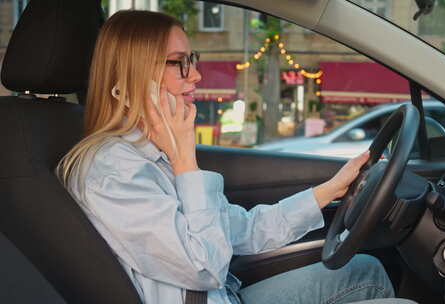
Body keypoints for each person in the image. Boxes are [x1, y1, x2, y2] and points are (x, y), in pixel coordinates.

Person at [56, 10, 394, 304]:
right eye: (179, 63)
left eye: (193, 60)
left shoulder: (149, 155)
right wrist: (184, 158)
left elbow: (242, 229)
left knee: (366, 271)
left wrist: (330, 191)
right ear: (134, 76)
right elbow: (204, 267)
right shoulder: (112, 171)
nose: (196, 76)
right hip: (212, 293)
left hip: (227, 297)